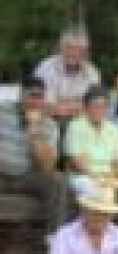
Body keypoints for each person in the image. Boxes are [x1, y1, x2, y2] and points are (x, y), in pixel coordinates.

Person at [1, 76, 70, 231]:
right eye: (32, 95)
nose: (35, 101)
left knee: (58, 181)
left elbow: (48, 166)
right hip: (2, 172)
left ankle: (53, 237)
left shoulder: (49, 124)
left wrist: (35, 135)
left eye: (40, 97)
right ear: (21, 94)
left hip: (28, 175)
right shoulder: (3, 112)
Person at [64, 85, 118, 194]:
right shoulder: (75, 126)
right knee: (90, 187)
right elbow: (77, 163)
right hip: (83, 177)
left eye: (103, 106)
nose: (100, 110)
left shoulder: (113, 130)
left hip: (109, 178)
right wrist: (98, 177)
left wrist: (110, 177)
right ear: (86, 108)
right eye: (96, 106)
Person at [35, 26, 102, 122]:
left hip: (81, 121)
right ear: (60, 48)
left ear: (86, 53)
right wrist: (76, 106)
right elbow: (44, 104)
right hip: (48, 120)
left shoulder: (92, 72)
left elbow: (95, 105)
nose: (74, 53)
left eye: (80, 50)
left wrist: (64, 106)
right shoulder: (46, 68)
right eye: (69, 47)